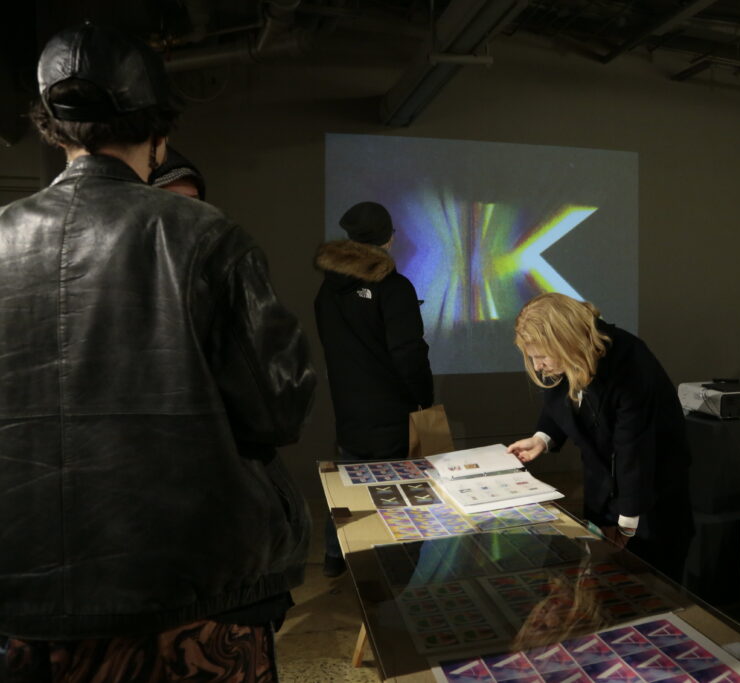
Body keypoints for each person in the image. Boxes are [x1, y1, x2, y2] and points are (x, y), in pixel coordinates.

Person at [0, 23, 316, 680]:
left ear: (54, 131)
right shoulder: (201, 234)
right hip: (189, 604)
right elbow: (277, 410)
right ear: (159, 132)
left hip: (27, 611)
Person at [506, 293, 692, 583]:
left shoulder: (630, 362)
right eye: (532, 357)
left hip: (649, 495)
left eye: (541, 356)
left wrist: (627, 525)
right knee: (603, 585)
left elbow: (634, 448)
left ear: (566, 342)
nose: (538, 365)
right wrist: (543, 438)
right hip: (604, 488)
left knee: (649, 587)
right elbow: (560, 398)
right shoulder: (571, 356)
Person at [314, 201, 434, 575]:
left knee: (350, 485)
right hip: (391, 413)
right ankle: (398, 572)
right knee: (400, 494)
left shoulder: (328, 289)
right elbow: (408, 353)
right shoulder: (393, 287)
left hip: (349, 409)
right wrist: (423, 400)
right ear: (388, 237)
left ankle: (336, 560)